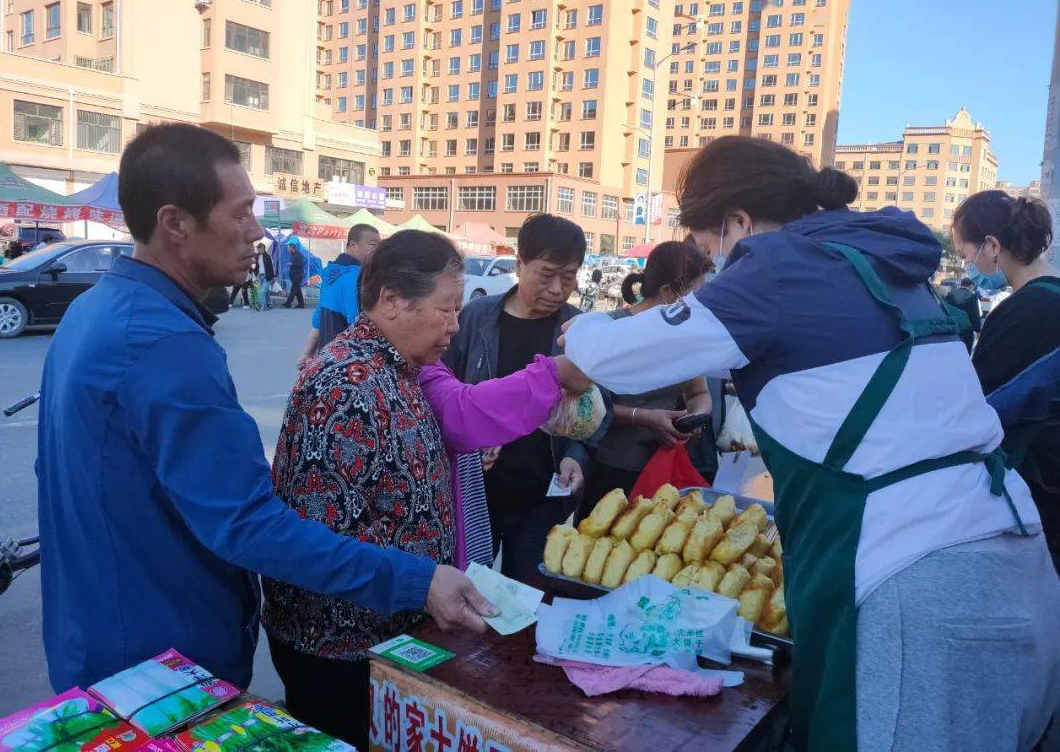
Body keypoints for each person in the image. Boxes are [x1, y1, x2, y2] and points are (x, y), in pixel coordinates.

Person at [560, 136, 1057, 751]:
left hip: (922, 593)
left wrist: (578, 326)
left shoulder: (777, 267)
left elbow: (617, 357)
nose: (712, 269)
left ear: (738, 222)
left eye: (708, 249)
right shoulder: (873, 264)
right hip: (1012, 566)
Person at [35, 123, 492, 696]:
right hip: (156, 663)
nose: (257, 232)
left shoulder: (98, 309)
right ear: (175, 223)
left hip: (106, 634)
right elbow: (249, 523)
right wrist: (416, 580)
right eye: (242, 213)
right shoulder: (165, 344)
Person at [263, 230, 585, 746]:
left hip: (391, 631)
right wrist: (419, 581)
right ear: (391, 301)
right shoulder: (345, 385)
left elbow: (461, 414)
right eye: (446, 311)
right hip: (341, 646)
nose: (455, 328)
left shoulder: (407, 365)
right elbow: (318, 544)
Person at [442, 213, 596, 580]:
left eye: (569, 277)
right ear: (519, 264)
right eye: (547, 275)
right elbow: (442, 392)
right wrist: (467, 443)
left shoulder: (579, 330)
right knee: (470, 589)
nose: (558, 289)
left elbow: (594, 411)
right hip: (476, 493)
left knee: (529, 598)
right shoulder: (476, 318)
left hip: (543, 497)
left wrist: (576, 456)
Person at [953, 190, 1060, 570]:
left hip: (1044, 493)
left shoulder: (1026, 312)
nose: (968, 266)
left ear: (992, 246)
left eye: (966, 256)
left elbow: (980, 409)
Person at [575, 241, 713, 521]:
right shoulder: (610, 329)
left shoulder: (686, 337)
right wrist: (642, 417)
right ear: (667, 294)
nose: (701, 305)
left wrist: (695, 418)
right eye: (695, 296)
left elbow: (699, 393)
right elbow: (584, 404)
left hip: (664, 472)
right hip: (609, 469)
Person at [299, 222, 380, 363]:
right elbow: (358, 324)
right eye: (373, 245)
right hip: (349, 360)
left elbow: (318, 318)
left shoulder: (330, 272)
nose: (377, 250)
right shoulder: (356, 276)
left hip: (326, 356)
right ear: (353, 245)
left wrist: (308, 353)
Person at [943, 277, 981, 352]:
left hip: (952, 330)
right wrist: (978, 330)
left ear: (961, 284)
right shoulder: (972, 297)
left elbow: (944, 311)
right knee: (965, 353)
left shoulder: (950, 295)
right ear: (971, 286)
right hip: (967, 332)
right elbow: (974, 315)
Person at [253, 241, 275, 310]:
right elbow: (255, 266)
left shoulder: (268, 256)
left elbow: (272, 267)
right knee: (266, 291)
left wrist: (273, 276)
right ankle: (269, 304)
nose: (258, 250)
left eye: (258, 248)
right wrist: (255, 274)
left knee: (262, 291)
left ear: (262, 248)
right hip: (259, 276)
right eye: (257, 249)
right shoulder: (256, 256)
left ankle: (263, 305)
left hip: (267, 276)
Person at [283, 242, 306, 308]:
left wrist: (292, 264)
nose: (288, 250)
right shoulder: (293, 255)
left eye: (289, 248)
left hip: (297, 275)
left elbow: (300, 264)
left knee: (293, 290)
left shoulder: (299, 255)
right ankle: (301, 304)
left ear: (293, 248)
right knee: (297, 290)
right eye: (288, 249)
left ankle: (288, 303)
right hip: (293, 275)